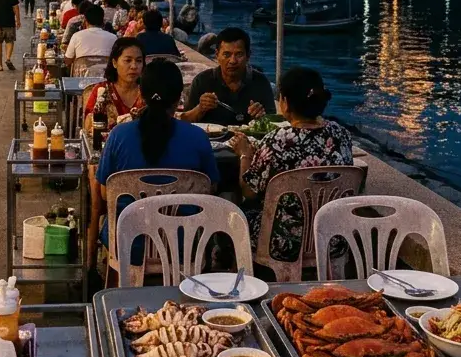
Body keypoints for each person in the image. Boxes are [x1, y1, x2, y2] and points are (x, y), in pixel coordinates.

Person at [92, 60, 220, 271]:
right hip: (182, 245)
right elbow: (210, 189)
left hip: (127, 243)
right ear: (180, 97)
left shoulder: (119, 135)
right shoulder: (198, 138)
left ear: (141, 94)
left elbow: (106, 193)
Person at [229, 67, 354, 265]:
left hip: (282, 243)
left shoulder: (276, 141)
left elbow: (249, 192)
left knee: (235, 213)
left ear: (285, 103)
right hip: (332, 238)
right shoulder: (342, 136)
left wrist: (245, 154)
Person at [181, 27, 275, 125]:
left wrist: (262, 117)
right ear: (217, 55)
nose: (233, 61)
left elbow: (274, 124)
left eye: (239, 54)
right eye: (226, 54)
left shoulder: (261, 82)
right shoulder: (202, 81)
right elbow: (185, 120)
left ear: (248, 56)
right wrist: (200, 108)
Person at [82, 37, 146, 132]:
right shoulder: (101, 91)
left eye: (139, 61)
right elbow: (88, 128)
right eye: (128, 60)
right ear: (114, 63)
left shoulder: (148, 92)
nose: (134, 66)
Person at [66, 4, 118, 69]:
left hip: (81, 78)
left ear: (85, 20)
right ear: (103, 21)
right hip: (106, 77)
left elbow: (68, 60)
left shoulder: (77, 36)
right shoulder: (113, 38)